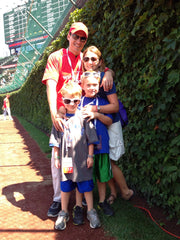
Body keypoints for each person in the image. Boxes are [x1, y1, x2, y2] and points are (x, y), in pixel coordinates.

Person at [42, 22, 114, 217]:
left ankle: (80, 201)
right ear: (68, 36)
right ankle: (59, 199)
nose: (79, 41)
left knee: (81, 155)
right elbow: (50, 85)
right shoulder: (56, 57)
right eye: (76, 36)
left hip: (80, 115)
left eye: (83, 38)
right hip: (62, 113)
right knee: (60, 156)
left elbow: (99, 66)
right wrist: (54, 113)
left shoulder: (84, 58)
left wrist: (108, 71)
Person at [82, 46, 134, 204]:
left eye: (93, 59)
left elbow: (115, 106)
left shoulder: (105, 77)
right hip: (97, 122)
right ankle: (114, 193)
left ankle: (124, 191)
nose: (90, 62)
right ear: (82, 61)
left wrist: (95, 109)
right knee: (103, 157)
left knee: (110, 160)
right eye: (86, 59)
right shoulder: (86, 76)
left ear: (100, 61)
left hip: (111, 123)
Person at [49, 81, 101, 230]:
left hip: (83, 160)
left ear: (79, 100)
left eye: (75, 101)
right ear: (63, 101)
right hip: (67, 160)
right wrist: (57, 158)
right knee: (65, 186)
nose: (71, 104)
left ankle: (91, 211)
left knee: (86, 186)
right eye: (67, 101)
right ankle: (64, 212)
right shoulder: (59, 121)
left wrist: (90, 156)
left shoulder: (84, 117)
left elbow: (91, 139)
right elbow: (56, 142)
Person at [80, 71, 114, 216]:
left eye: (95, 85)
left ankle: (102, 201)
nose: (92, 88)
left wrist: (97, 115)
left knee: (102, 175)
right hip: (84, 147)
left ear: (98, 86)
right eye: (88, 85)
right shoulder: (79, 102)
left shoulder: (103, 102)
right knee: (85, 174)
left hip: (101, 144)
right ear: (82, 85)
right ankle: (84, 203)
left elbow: (109, 121)